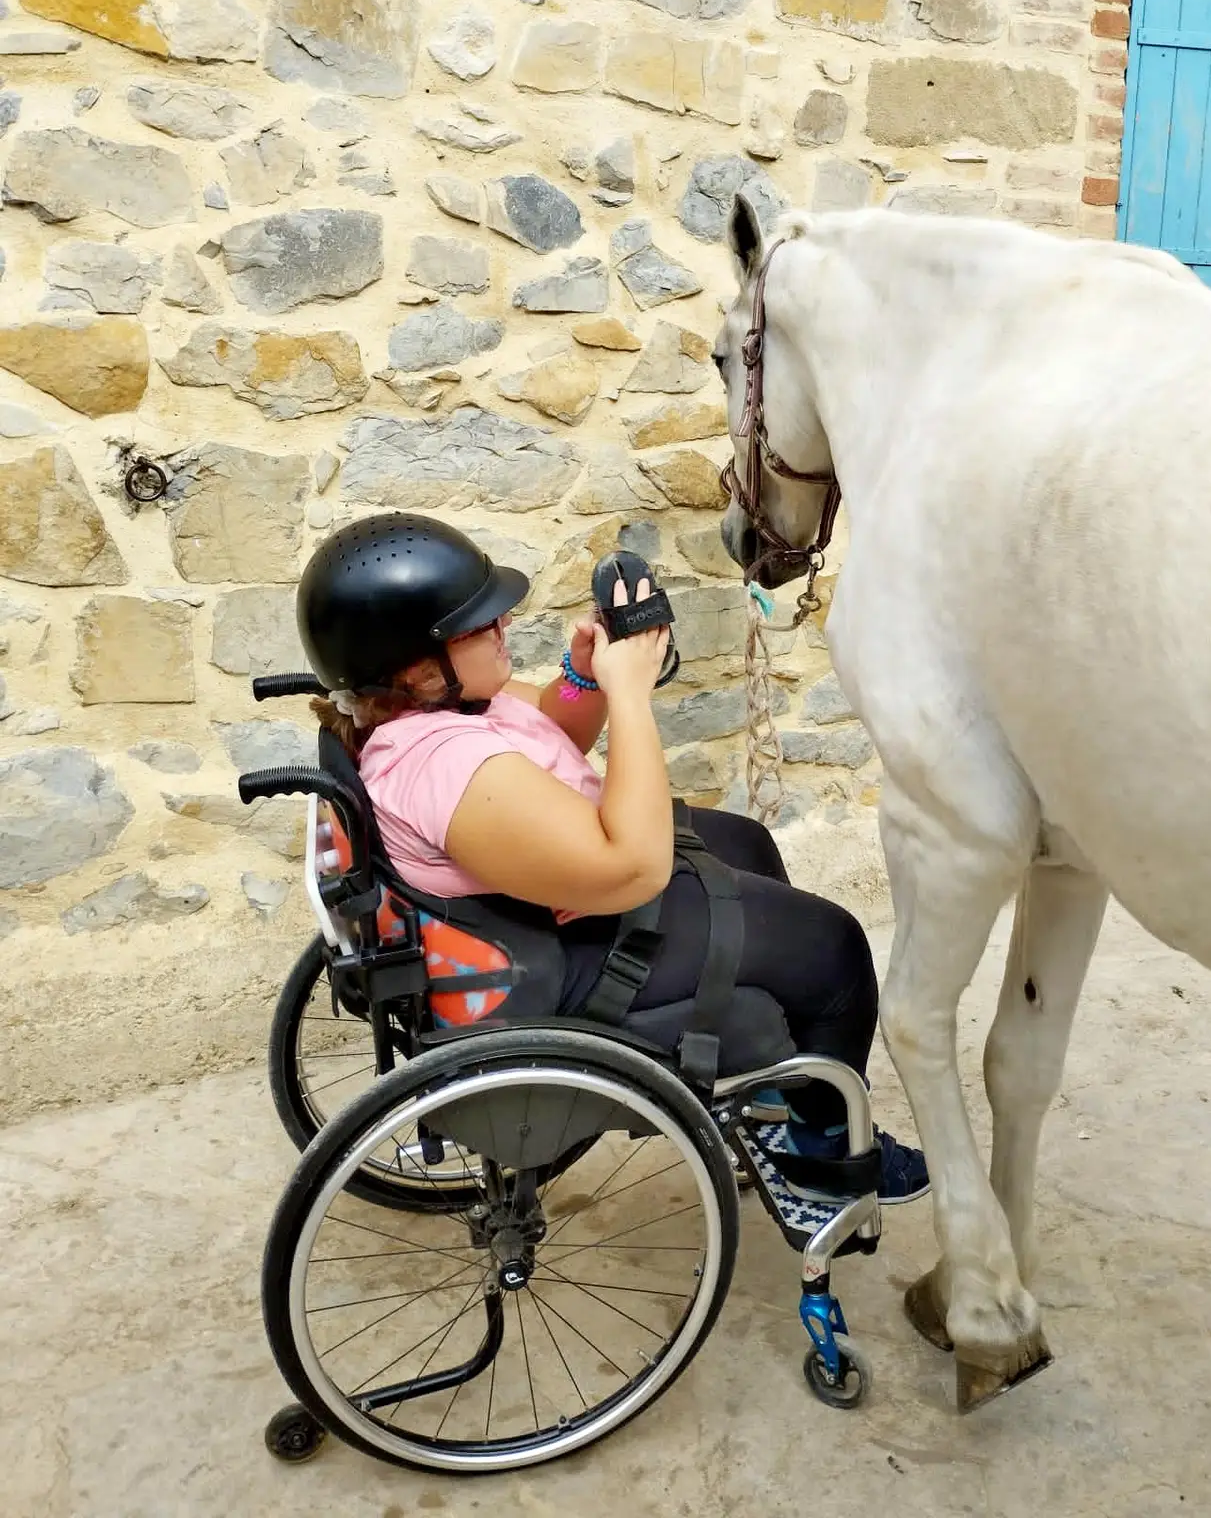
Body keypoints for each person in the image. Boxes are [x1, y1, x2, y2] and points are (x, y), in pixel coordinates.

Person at [296, 511, 927, 1205]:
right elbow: (632, 867)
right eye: (483, 625)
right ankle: (827, 1151)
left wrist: (585, 673)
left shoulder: (451, 708)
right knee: (833, 949)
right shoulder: (446, 768)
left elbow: (552, 723)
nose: (505, 625)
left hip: (555, 902)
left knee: (747, 844)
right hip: (572, 950)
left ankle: (778, 1077)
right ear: (420, 670)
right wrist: (631, 693)